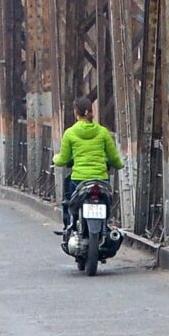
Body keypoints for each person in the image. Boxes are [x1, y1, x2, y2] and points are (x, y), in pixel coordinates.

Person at [53, 98, 121, 234]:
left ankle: (69, 225)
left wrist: (55, 158)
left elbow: (63, 159)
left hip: (79, 179)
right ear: (91, 111)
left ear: (75, 112)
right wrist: (119, 165)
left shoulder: (70, 133)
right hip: (101, 179)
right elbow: (113, 157)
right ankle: (105, 225)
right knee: (107, 200)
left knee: (68, 200)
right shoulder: (103, 132)